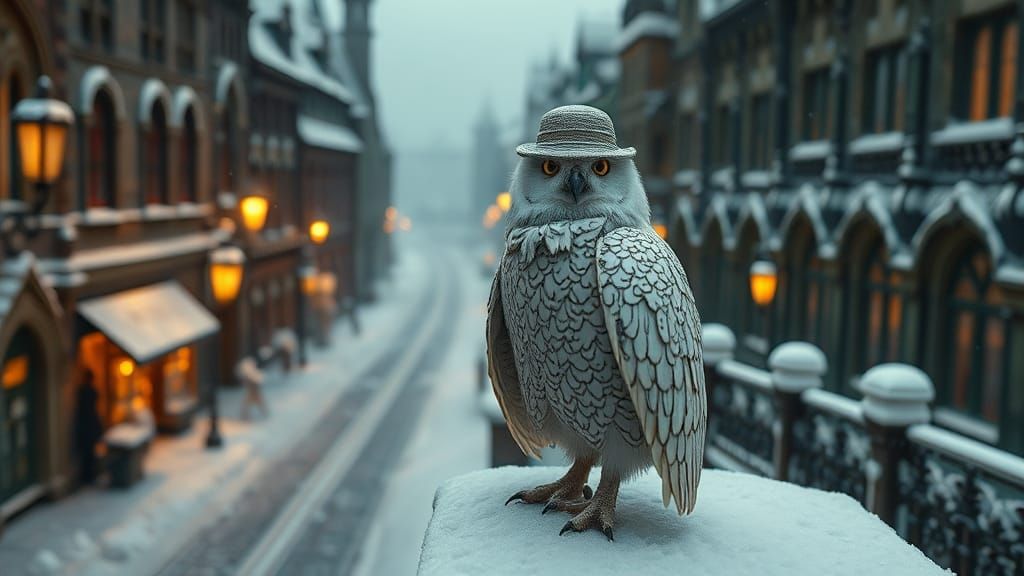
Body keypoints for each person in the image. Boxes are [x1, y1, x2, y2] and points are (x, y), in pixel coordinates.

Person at [73, 370, 103, 484]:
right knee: (89, 452)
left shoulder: (83, 391)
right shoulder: (91, 391)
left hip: (86, 426)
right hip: (90, 426)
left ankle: (88, 475)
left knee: (87, 453)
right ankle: (89, 475)